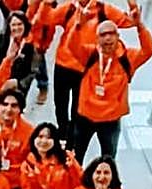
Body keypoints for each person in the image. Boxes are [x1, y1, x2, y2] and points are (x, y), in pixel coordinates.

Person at [42, 0, 134, 142]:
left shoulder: (103, 10)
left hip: (85, 68)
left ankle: (72, 138)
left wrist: (133, 7)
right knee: (60, 103)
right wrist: (46, 3)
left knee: (77, 108)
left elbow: (129, 21)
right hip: (63, 64)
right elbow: (47, 19)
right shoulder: (70, 8)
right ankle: (63, 131)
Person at [67, 12, 152, 160]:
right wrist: (77, 26)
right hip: (85, 117)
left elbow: (148, 50)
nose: (107, 38)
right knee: (76, 157)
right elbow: (72, 46)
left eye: (111, 33)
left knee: (108, 159)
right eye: (103, 34)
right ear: (97, 38)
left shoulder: (128, 58)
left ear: (118, 36)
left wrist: (140, 27)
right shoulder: (90, 55)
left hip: (111, 121)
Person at [19, 122, 82, 189]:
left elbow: (80, 182)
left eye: (49, 137)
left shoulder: (66, 158)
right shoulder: (28, 164)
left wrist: (72, 167)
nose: (44, 141)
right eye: (40, 136)